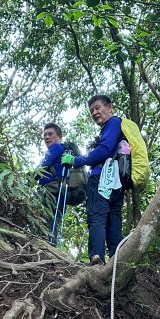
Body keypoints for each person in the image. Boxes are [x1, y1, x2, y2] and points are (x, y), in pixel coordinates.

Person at [62, 95, 124, 265]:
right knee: (113, 220)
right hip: (116, 182)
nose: (94, 112)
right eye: (91, 111)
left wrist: (76, 160)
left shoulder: (113, 123)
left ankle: (97, 260)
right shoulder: (112, 128)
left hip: (101, 179)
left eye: (97, 107)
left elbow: (104, 150)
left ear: (109, 107)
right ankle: (116, 264)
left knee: (97, 217)